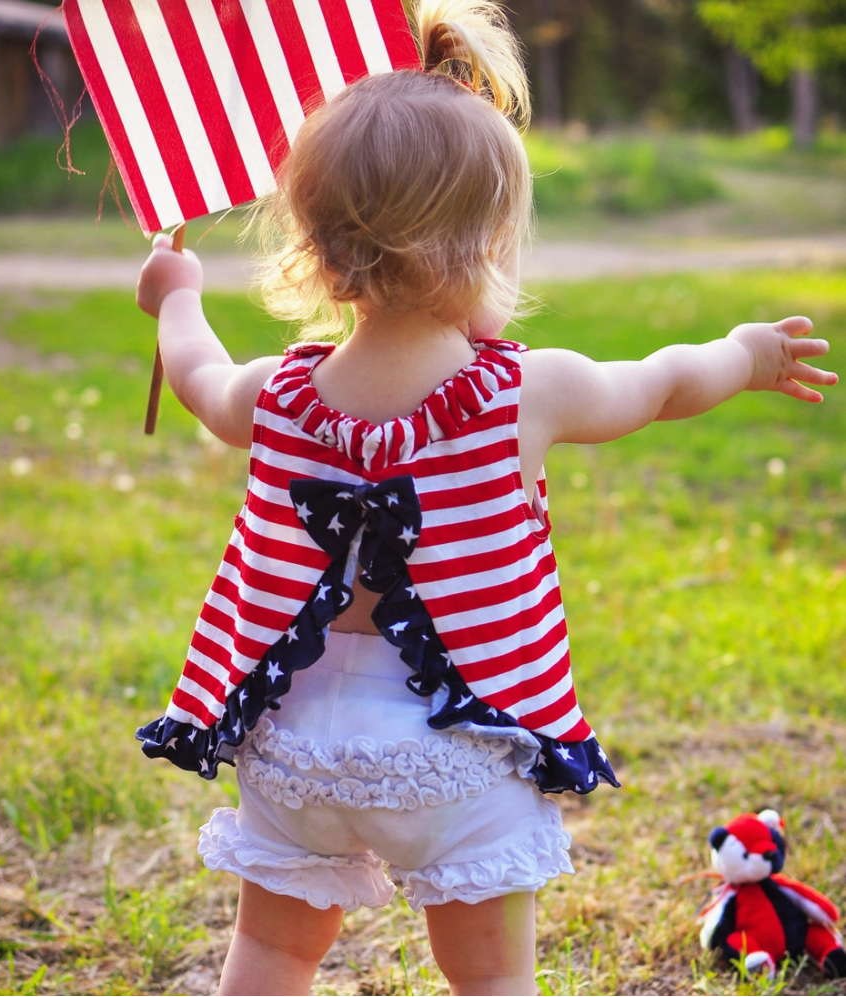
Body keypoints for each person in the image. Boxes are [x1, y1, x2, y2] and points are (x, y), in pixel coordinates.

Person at [134, 2, 837, 994]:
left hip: (294, 747)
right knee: (490, 982)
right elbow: (663, 382)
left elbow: (201, 379)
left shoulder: (279, 393)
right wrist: (747, 353)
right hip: (455, 749)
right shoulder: (523, 393)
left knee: (277, 950)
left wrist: (176, 297)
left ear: (322, 256)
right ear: (486, 250)